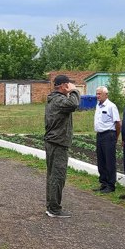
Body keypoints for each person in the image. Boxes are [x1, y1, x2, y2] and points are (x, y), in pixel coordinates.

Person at [44, 74, 80, 218]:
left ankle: (51, 206)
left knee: (53, 176)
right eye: (68, 85)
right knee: (57, 176)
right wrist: (75, 90)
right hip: (58, 143)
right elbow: (74, 104)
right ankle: (54, 209)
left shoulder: (54, 98)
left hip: (54, 141)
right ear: (64, 85)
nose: (69, 87)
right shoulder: (59, 100)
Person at [93, 86, 120, 194]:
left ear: (106, 94)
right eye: (97, 94)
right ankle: (103, 182)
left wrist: (115, 137)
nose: (97, 96)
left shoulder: (111, 106)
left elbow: (118, 123)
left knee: (109, 161)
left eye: (99, 94)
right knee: (101, 160)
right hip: (99, 135)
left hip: (109, 135)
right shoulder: (98, 106)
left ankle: (110, 185)